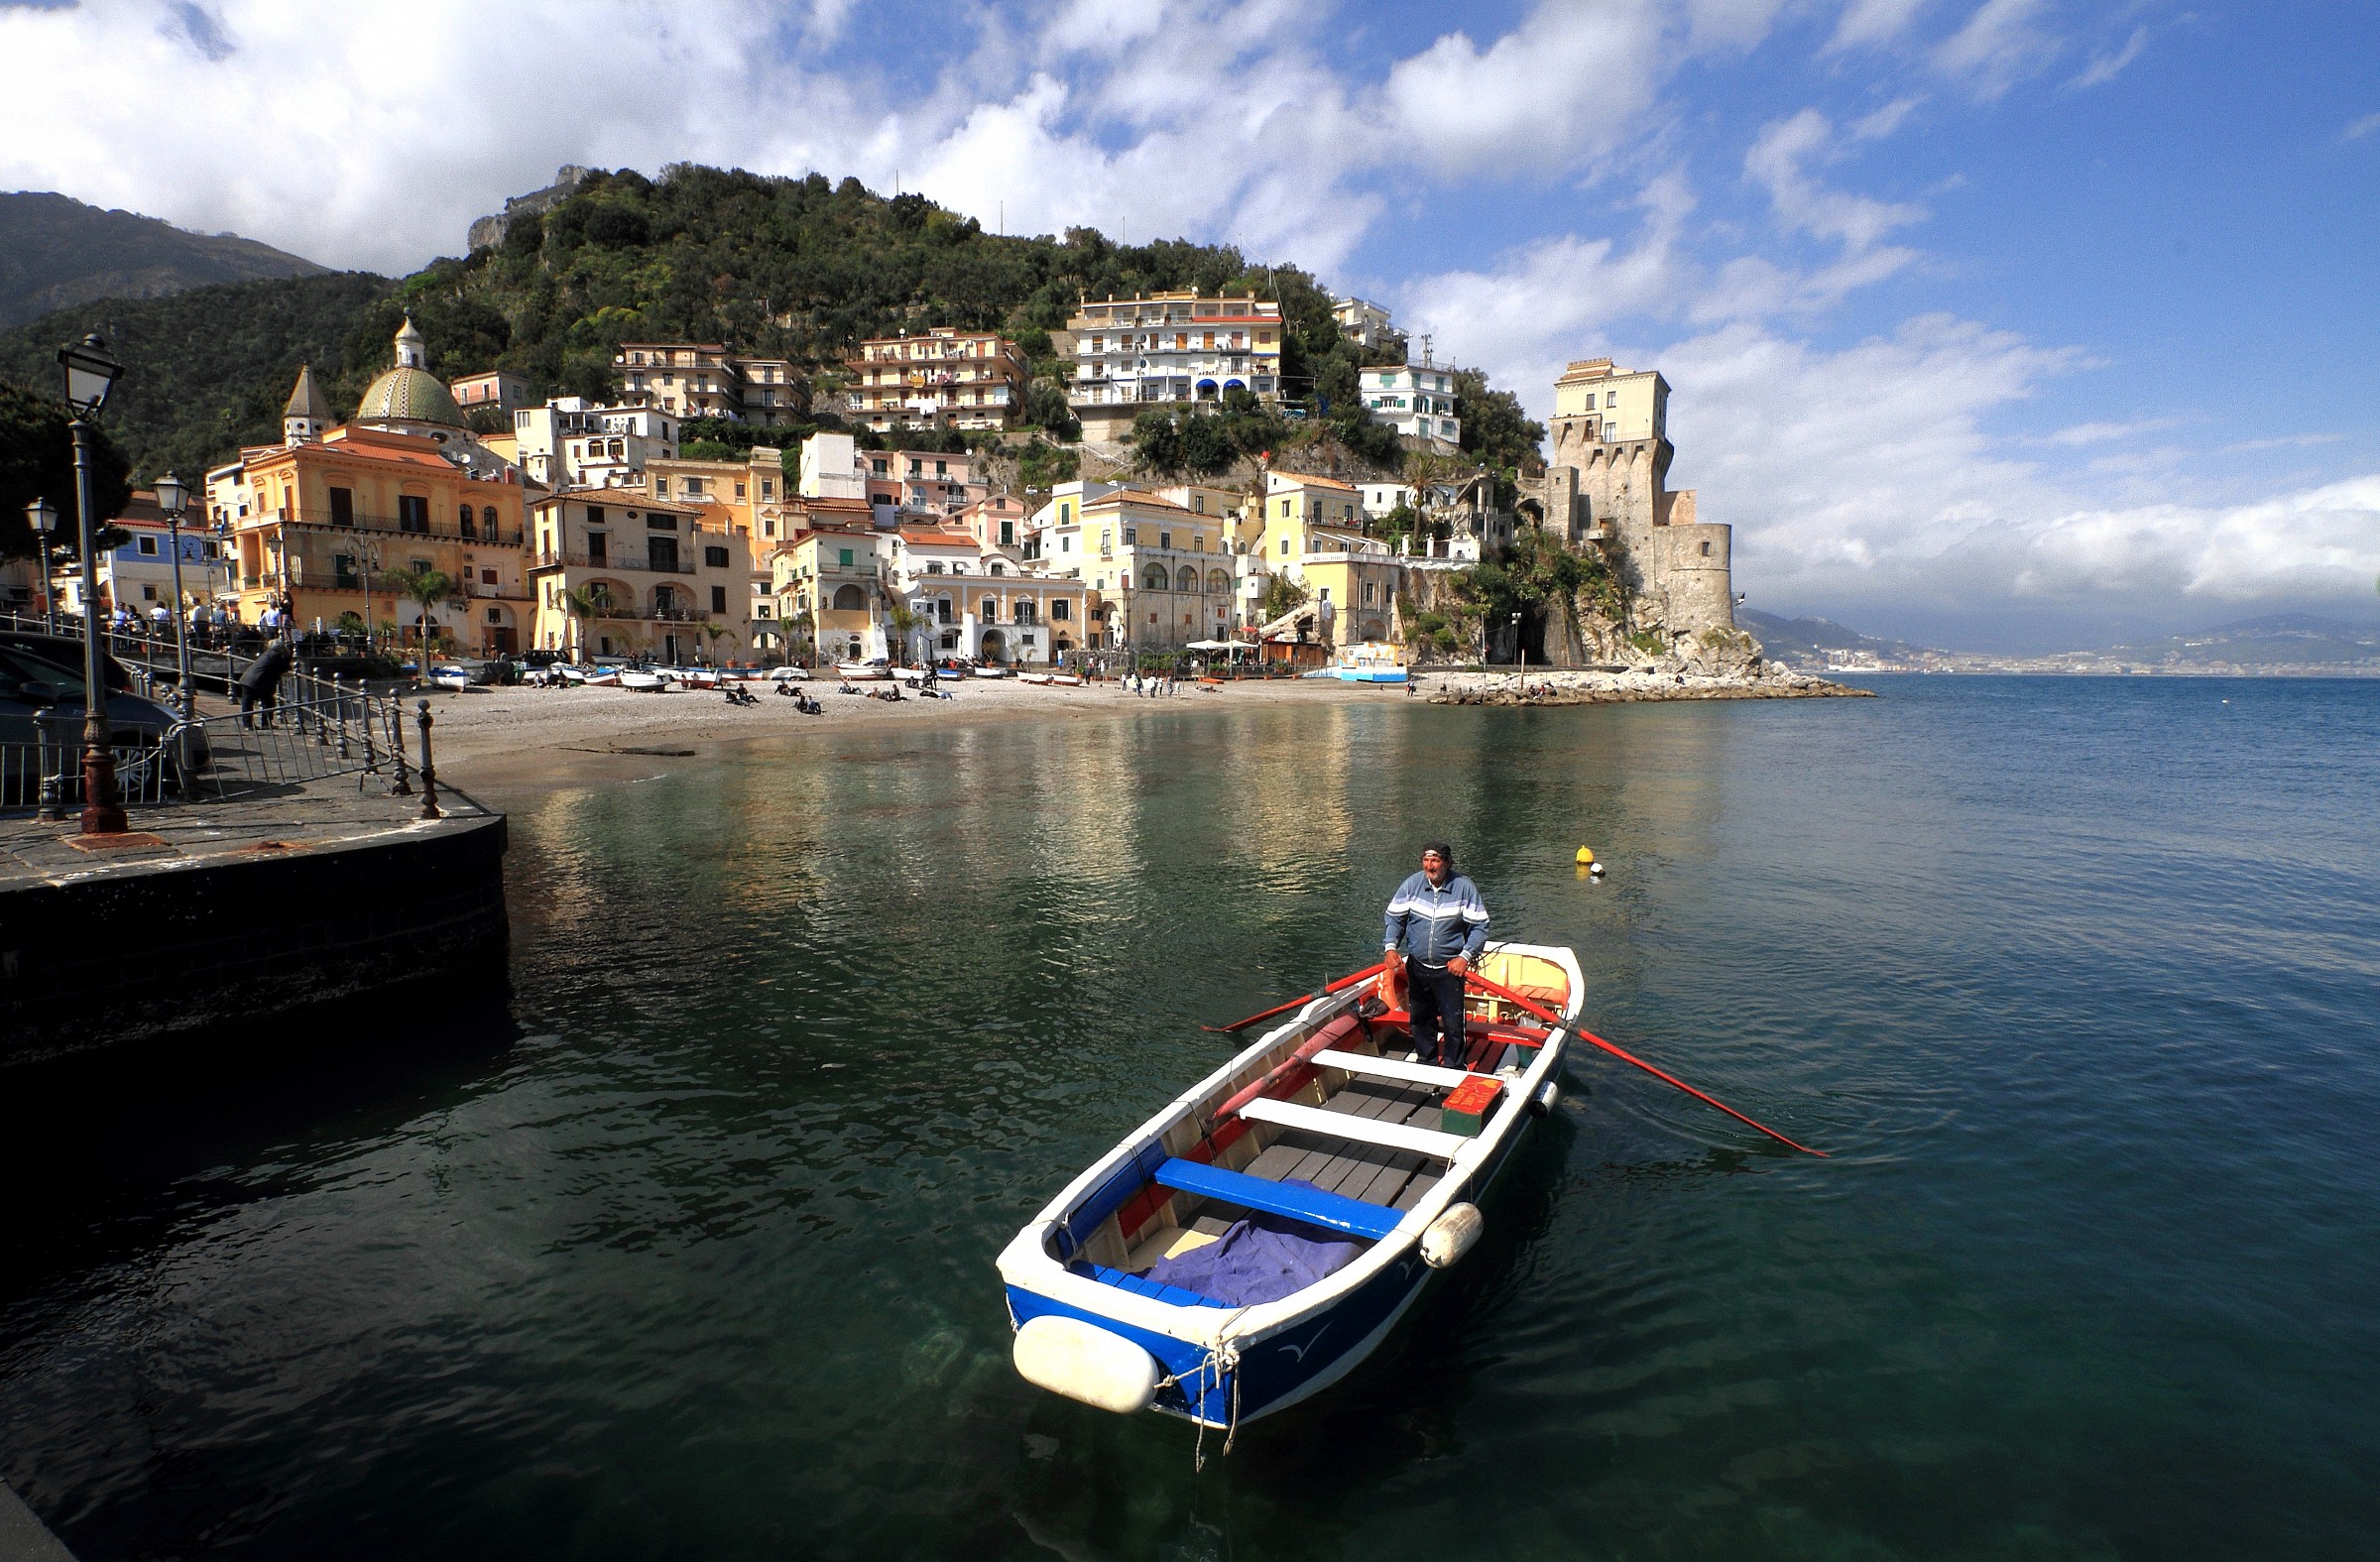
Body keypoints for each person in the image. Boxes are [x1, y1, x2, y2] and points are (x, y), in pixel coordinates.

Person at [1380, 841, 1491, 1068]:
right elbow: (1394, 919)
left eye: (1435, 861)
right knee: (1420, 1018)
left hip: (1449, 970)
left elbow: (1480, 927)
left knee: (1453, 1024)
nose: (1429, 866)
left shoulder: (1464, 888)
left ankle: (1454, 1066)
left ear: (1448, 863)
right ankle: (1426, 1061)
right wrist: (1390, 948)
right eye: (1426, 860)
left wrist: (1464, 956)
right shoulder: (1411, 885)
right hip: (1417, 968)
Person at [238, 634, 296, 729]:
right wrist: (288, 654)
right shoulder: (275, 656)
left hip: (247, 679)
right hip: (258, 682)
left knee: (247, 703)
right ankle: (265, 723)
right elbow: (284, 667)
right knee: (268, 702)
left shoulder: (268, 653)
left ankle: (248, 724)